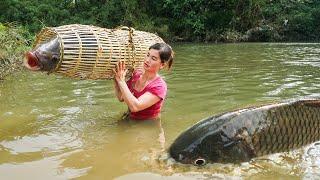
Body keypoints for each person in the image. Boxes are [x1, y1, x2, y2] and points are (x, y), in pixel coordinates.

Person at [113, 42, 174, 121]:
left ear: (162, 65)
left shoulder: (159, 86)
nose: (147, 60)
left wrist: (121, 81)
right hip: (129, 117)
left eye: (153, 58)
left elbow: (135, 107)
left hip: (147, 125)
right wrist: (116, 79)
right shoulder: (136, 74)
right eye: (148, 55)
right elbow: (121, 98)